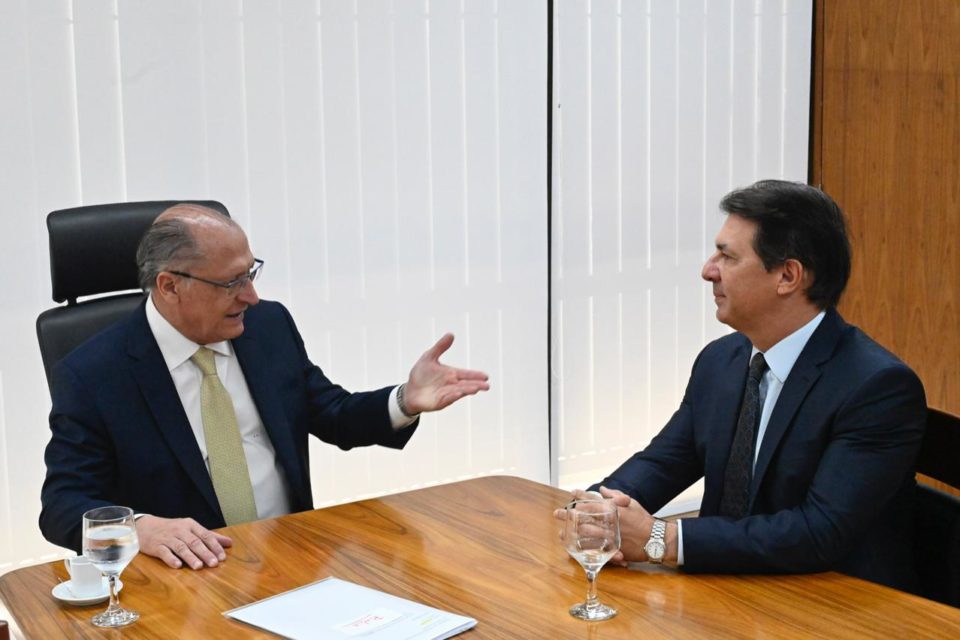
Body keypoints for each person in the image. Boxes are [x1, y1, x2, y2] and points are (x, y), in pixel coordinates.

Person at [40, 204, 489, 571]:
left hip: (292, 558)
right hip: (189, 582)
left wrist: (404, 402)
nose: (251, 296)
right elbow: (62, 504)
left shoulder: (267, 326)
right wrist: (140, 529)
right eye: (232, 282)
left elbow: (332, 413)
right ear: (170, 286)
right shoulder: (94, 374)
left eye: (250, 273)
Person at [558, 180, 925, 592]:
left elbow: (819, 531)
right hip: (729, 589)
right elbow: (664, 461)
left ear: (788, 275)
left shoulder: (877, 387)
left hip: (838, 606)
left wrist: (663, 540)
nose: (707, 269)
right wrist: (597, 513)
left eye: (727, 256)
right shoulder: (722, 360)